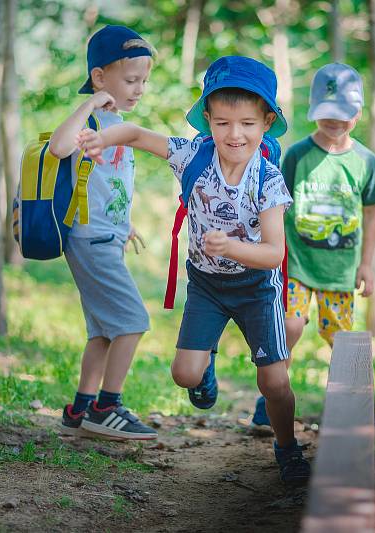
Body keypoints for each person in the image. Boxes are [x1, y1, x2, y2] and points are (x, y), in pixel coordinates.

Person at [76, 55, 311, 485]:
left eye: (246, 124)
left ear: (266, 123)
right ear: (207, 120)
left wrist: (235, 246)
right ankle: (206, 365)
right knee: (184, 374)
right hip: (206, 285)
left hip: (257, 288)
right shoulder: (192, 156)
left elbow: (275, 253)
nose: (234, 134)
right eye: (222, 123)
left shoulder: (269, 179)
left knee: (274, 383)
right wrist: (104, 138)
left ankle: (287, 447)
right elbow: (137, 134)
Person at [251, 63, 375, 427]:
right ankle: (269, 400)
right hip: (297, 262)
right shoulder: (297, 155)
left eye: (343, 115)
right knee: (289, 328)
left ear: (357, 114)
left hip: (340, 269)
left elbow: (373, 214)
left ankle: (355, 410)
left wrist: (366, 263)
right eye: (327, 114)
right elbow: (276, 203)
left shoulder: (365, 162)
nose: (334, 122)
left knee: (341, 339)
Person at [50, 25, 157, 441]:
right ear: (99, 77)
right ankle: (106, 406)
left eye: (144, 81)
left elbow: (107, 183)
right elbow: (59, 147)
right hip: (88, 239)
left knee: (103, 331)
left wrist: (123, 224)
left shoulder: (118, 123)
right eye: (132, 80)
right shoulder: (93, 117)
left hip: (106, 237)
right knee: (132, 321)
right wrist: (91, 102)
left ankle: (80, 406)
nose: (140, 89)